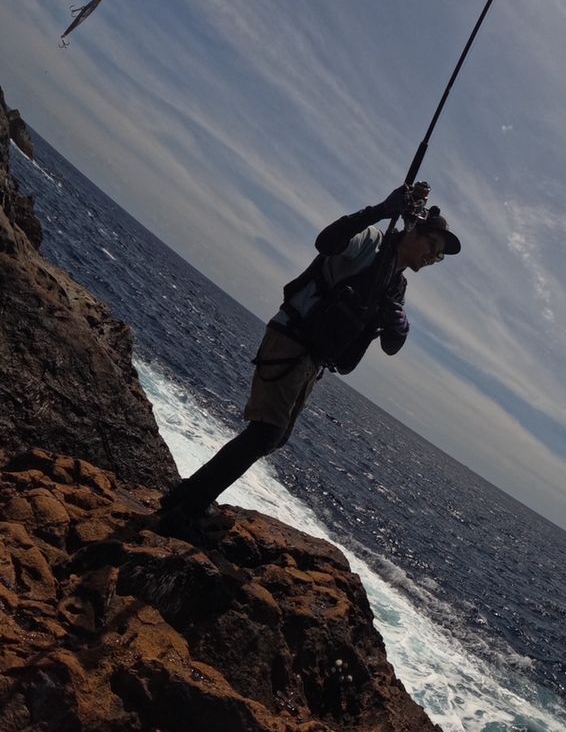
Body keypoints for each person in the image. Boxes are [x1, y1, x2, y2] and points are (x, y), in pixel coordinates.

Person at [158, 184, 460, 533]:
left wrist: (399, 327)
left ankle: (186, 496)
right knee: (266, 433)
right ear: (412, 229)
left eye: (438, 256)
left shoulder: (396, 285)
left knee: (274, 436)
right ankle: (186, 507)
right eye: (431, 246)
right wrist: (380, 209)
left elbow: (391, 345)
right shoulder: (372, 242)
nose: (431, 257)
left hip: (313, 360)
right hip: (292, 338)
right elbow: (327, 242)